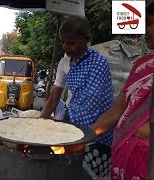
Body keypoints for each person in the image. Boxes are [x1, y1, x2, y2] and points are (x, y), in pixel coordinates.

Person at [40, 16, 114, 177]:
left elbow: (92, 100)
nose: (67, 47)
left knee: (86, 172)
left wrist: (69, 125)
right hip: (74, 124)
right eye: (64, 42)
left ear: (86, 40)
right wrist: (39, 121)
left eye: (72, 43)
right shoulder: (64, 63)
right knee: (65, 168)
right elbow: (54, 97)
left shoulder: (99, 62)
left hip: (99, 129)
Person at [92, 2, 154, 179]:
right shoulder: (142, 65)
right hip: (122, 161)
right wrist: (84, 136)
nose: (145, 30)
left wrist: (145, 131)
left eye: (149, 23)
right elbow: (117, 111)